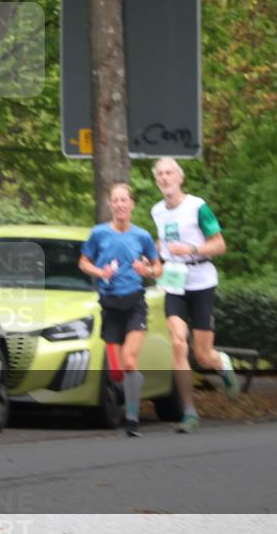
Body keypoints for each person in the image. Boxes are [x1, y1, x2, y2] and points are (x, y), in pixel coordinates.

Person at [150, 157, 239, 434]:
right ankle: (189, 411)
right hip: (174, 281)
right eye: (160, 174)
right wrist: (153, 260)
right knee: (178, 344)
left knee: (202, 355)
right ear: (156, 180)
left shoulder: (198, 207)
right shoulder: (157, 211)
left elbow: (220, 245)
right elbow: (163, 245)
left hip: (201, 280)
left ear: (180, 178)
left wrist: (191, 249)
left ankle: (221, 363)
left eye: (169, 173)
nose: (165, 178)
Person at [79, 183, 163, 438]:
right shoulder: (99, 233)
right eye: (115, 200)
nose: (119, 205)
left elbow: (158, 268)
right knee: (116, 372)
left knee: (129, 361)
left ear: (132, 204)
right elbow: (83, 262)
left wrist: (146, 271)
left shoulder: (142, 236)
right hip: (110, 305)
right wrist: (100, 272)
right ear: (110, 204)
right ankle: (133, 385)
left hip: (135, 304)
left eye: (124, 200)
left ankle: (132, 418)